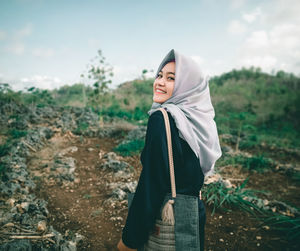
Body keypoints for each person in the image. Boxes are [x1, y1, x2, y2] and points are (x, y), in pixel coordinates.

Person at [117, 49, 222, 251]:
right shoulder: (201, 121)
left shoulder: (162, 118)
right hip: (192, 215)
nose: (159, 82)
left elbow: (152, 186)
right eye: (159, 75)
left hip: (168, 220)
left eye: (171, 78)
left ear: (187, 85)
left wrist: (130, 240)